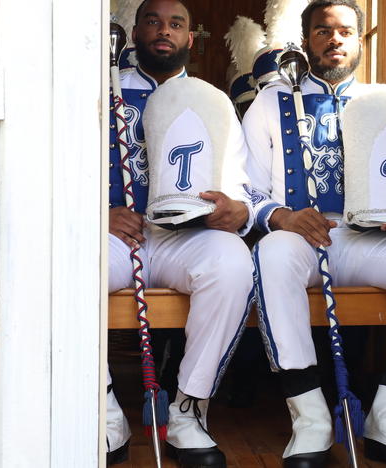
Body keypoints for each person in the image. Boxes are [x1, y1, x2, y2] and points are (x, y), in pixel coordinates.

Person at [241, 1, 386, 466]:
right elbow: (245, 188)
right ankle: (310, 418)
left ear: (359, 42)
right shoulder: (269, 101)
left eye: (346, 31)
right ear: (306, 41)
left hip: (371, 239)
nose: (335, 39)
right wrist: (282, 216)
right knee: (273, 255)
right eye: (323, 31)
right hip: (300, 237)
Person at [107, 0, 255, 466]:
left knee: (232, 263)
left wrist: (236, 210)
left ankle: (190, 410)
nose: (163, 31)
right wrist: (95, 213)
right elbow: (61, 166)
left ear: (190, 38)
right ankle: (102, 408)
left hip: (183, 238)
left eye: (176, 24)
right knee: (66, 260)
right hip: (114, 235)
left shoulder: (213, 101)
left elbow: (239, 182)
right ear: (135, 31)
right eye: (153, 21)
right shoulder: (102, 90)